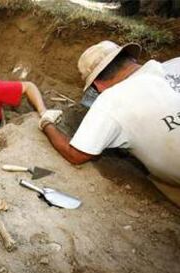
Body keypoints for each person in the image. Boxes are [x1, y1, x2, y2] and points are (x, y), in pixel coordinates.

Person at [39, 40, 180, 205]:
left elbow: (75, 155)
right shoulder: (170, 67)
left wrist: (47, 123)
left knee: (162, 183)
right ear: (131, 60)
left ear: (97, 85)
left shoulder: (110, 100)